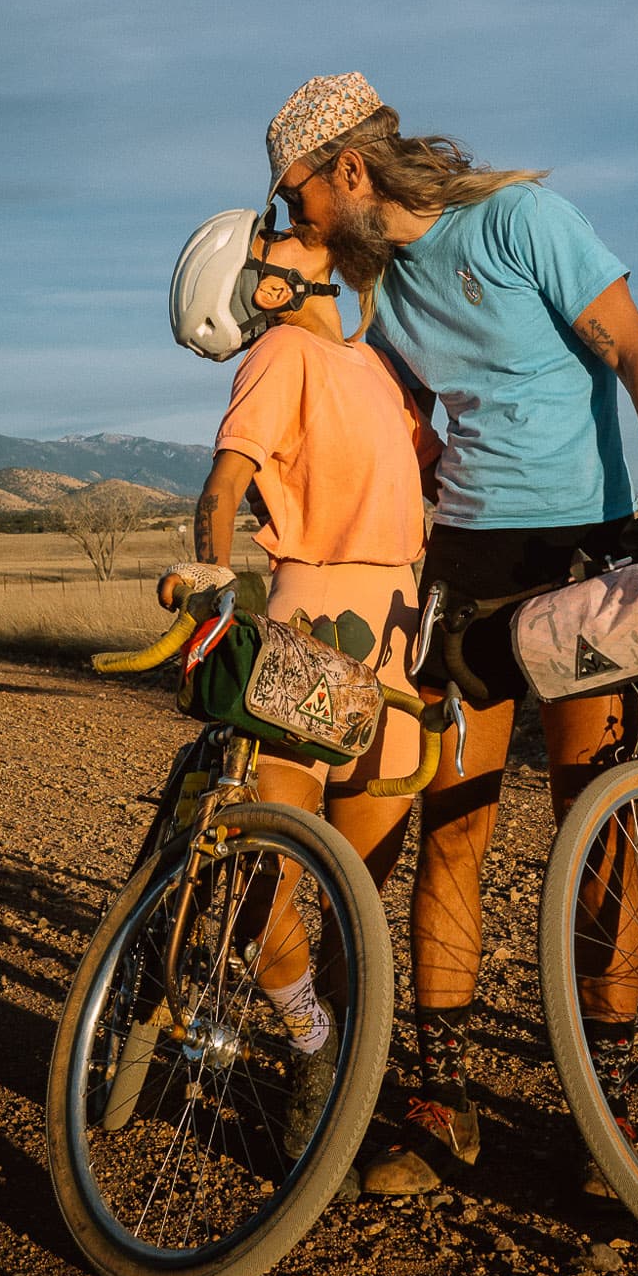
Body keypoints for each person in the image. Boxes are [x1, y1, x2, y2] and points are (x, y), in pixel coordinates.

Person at [263, 71, 638, 1196]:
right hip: (465, 571)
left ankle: (605, 1105)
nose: (296, 220)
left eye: (297, 196)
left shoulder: (523, 221)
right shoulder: (377, 288)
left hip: (582, 558)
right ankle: (439, 1092)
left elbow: (633, 348)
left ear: (347, 169)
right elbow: (389, 421)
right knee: (455, 826)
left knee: (603, 822)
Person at [159, 207, 439, 1163]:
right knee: (272, 869)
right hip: (308, 631)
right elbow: (223, 487)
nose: (305, 228)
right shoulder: (281, 357)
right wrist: (209, 574)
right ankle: (312, 1045)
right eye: (278, 235)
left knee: (361, 893)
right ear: (264, 285)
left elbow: (439, 483)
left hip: (402, 640)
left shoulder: (384, 367)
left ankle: (346, 1068)